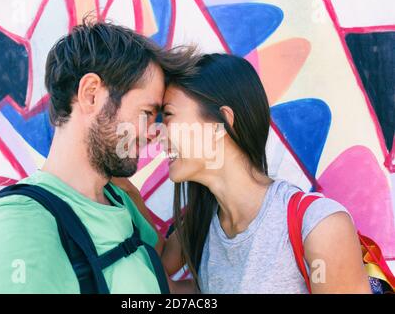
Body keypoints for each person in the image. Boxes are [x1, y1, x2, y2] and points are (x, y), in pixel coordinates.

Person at [0, 19, 197, 293]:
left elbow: (159, 279)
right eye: (146, 113)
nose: (152, 133)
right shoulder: (16, 223)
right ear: (91, 95)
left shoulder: (116, 197)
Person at [144, 53, 370, 293]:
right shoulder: (201, 223)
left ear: (223, 123)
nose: (159, 133)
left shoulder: (320, 225)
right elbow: (161, 273)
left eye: (168, 116)